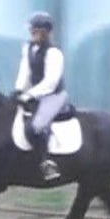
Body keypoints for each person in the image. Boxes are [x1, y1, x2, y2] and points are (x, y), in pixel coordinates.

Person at [13, 11, 69, 180]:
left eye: (36, 30)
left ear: (45, 32)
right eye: (32, 30)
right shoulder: (28, 48)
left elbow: (50, 82)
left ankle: (47, 164)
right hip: (35, 95)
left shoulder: (54, 53)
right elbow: (25, 72)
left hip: (54, 96)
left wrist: (29, 94)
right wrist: (17, 91)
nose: (32, 33)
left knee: (34, 127)